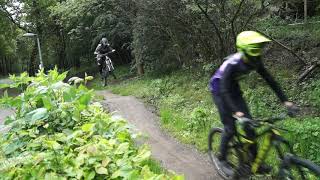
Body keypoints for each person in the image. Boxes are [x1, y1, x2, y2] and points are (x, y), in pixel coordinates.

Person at [209, 31, 298, 176]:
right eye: (255, 48)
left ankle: (255, 162)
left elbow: (270, 80)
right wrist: (237, 113)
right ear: (244, 49)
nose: (259, 51)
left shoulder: (255, 60)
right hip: (219, 90)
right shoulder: (232, 63)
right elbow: (224, 90)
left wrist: (285, 101)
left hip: (234, 90)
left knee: (250, 127)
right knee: (230, 127)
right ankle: (222, 158)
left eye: (259, 48)